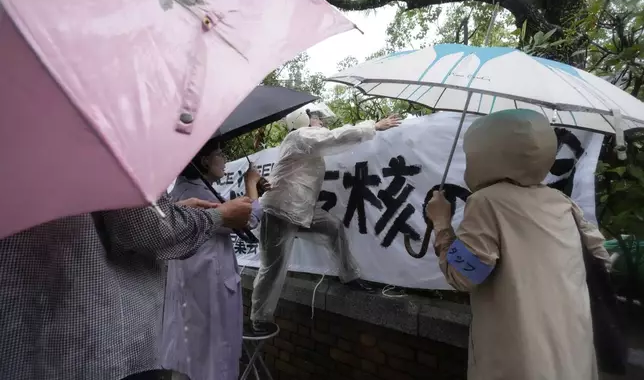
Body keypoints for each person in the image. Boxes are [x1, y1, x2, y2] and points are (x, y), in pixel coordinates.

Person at [424, 109, 611, 380]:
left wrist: (441, 223)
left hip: (518, 361)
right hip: (574, 353)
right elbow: (600, 257)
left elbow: (464, 275)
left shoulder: (487, 201)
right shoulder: (563, 203)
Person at [0, 189, 253, 380]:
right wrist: (219, 216)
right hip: (98, 343)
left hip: (23, 339)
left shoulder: (21, 137)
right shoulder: (106, 130)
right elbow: (148, 229)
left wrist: (171, 210)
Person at [250, 103, 401, 333]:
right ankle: (258, 318)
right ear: (303, 121)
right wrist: (373, 126)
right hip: (280, 210)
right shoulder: (300, 136)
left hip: (301, 209)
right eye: (316, 118)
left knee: (333, 228)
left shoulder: (303, 142)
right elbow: (336, 137)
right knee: (272, 267)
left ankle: (349, 275)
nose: (320, 121)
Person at [160, 140, 267, 380]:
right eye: (220, 152)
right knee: (212, 357)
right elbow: (247, 220)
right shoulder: (195, 192)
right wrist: (251, 184)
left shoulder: (187, 188)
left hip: (196, 285)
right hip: (207, 286)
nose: (226, 159)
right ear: (204, 160)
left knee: (195, 355)